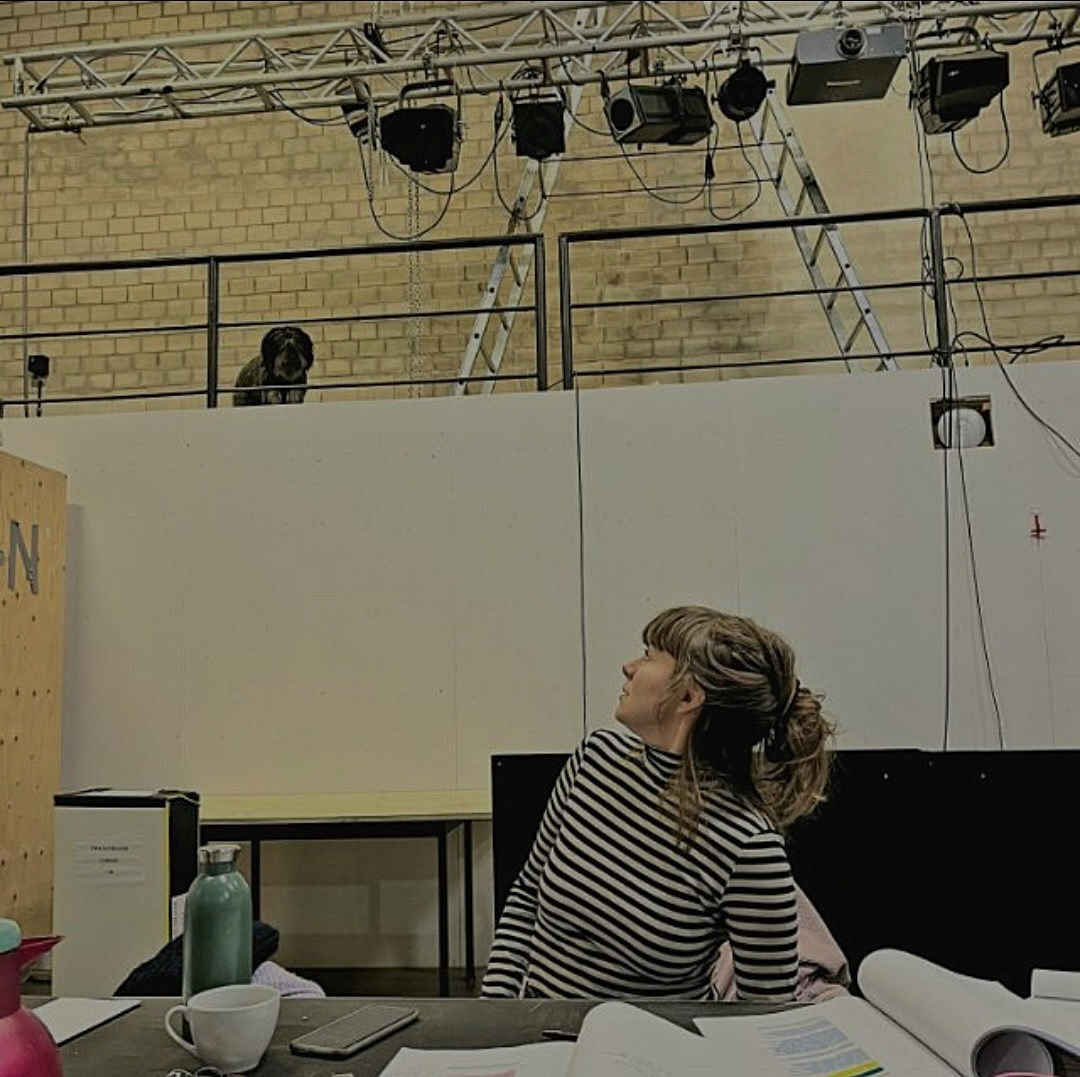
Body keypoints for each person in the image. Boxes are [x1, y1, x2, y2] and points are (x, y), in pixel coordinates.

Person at [481, 605, 835, 1001]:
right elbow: (528, 893)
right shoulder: (593, 760)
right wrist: (495, 1009)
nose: (628, 667)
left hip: (655, 1040)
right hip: (540, 1027)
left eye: (649, 655)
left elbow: (765, 1012)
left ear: (688, 697)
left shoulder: (749, 847)